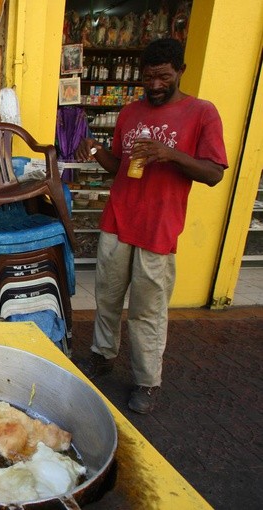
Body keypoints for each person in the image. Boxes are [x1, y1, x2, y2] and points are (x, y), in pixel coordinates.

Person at [73, 38, 227, 414]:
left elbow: (214, 173)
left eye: (163, 77)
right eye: (148, 78)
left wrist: (170, 154)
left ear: (180, 72)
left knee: (147, 310)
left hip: (159, 229)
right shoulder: (129, 113)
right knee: (107, 298)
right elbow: (118, 167)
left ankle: (147, 381)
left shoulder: (202, 113)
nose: (155, 85)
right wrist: (95, 151)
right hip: (118, 219)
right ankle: (102, 356)